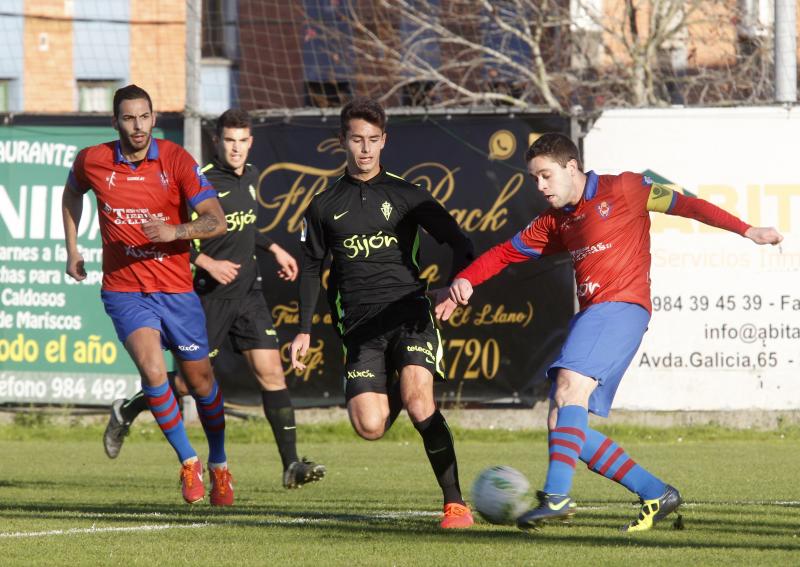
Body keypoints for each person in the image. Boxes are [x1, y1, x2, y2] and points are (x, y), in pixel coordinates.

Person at [436, 132, 783, 532]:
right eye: (534, 179)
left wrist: (746, 230)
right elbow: (504, 253)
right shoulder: (554, 222)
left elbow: (688, 204)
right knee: (563, 423)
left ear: (571, 167)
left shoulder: (627, 188)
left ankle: (556, 496)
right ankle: (655, 492)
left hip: (622, 308)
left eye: (546, 175)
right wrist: (465, 280)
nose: (540, 186)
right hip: (594, 316)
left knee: (568, 389)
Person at [102, 109, 326, 489]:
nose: (236, 148)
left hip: (249, 294)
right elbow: (167, 234)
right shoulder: (200, 179)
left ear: (250, 142)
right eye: (229, 141)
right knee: (190, 384)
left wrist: (274, 249)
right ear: (217, 142)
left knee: (272, 373)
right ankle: (128, 408)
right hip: (209, 296)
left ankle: (291, 465)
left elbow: (245, 227)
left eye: (242, 141)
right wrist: (207, 262)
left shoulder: (252, 176)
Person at [290, 98, 476, 529]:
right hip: (359, 327)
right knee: (370, 426)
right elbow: (311, 268)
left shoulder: (407, 194)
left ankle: (455, 504)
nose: (366, 149)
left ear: (384, 141)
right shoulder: (323, 204)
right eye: (357, 139)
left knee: (418, 401)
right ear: (343, 141)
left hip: (410, 314)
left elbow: (461, 242)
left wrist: (454, 288)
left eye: (374, 140)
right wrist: (303, 331)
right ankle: (401, 381)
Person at [62, 84, 235, 506]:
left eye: (144, 117)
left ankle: (219, 464)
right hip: (125, 290)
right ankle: (188, 461)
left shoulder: (175, 160)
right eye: (128, 118)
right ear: (115, 121)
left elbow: (217, 221)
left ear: (154, 119)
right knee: (154, 372)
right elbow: (71, 192)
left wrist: (176, 231)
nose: (137, 126)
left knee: (200, 381)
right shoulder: (94, 160)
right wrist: (72, 249)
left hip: (176, 289)